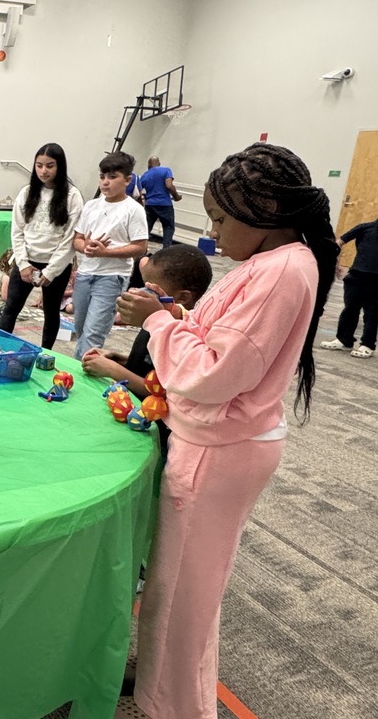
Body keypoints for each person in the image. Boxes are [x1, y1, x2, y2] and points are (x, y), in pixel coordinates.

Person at [116, 143, 338, 719]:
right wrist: (177, 316)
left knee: (185, 595)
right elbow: (225, 345)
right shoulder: (275, 264)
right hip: (224, 441)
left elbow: (213, 375)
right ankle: (165, 689)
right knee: (181, 586)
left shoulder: (281, 271)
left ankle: (176, 705)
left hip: (220, 447)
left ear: (262, 208)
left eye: (218, 218)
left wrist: (161, 322)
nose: (212, 231)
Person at [81, 245, 213, 399]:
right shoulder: (156, 317)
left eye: (151, 291)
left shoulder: (182, 336)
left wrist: (112, 370)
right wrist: (119, 359)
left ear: (182, 298)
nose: (141, 293)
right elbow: (150, 365)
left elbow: (165, 393)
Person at [0, 143, 84, 348]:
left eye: (50, 166)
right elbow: (17, 231)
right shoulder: (27, 193)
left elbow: (69, 239)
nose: (43, 171)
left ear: (60, 166)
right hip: (26, 261)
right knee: (11, 308)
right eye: (39, 166)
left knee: (51, 311)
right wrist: (24, 263)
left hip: (56, 265)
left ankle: (45, 353)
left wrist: (52, 271)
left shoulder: (72, 196)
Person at [71, 151, 149, 359]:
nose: (105, 183)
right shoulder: (91, 205)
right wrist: (86, 247)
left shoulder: (133, 210)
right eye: (102, 177)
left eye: (112, 177)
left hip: (112, 277)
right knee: (81, 329)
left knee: (93, 334)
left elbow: (140, 247)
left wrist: (107, 252)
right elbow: (77, 240)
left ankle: (79, 375)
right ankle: (86, 367)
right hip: (85, 274)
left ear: (127, 180)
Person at [317, 215, 378, 358]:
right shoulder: (364, 228)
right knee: (350, 309)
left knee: (372, 313)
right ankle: (344, 340)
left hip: (376, 280)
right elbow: (339, 242)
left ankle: (367, 345)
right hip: (356, 275)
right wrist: (334, 261)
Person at [140, 156, 182, 248]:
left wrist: (143, 201)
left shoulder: (145, 175)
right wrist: (176, 197)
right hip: (165, 204)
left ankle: (141, 250)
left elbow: (138, 190)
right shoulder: (166, 170)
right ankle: (166, 250)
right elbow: (169, 185)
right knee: (168, 227)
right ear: (159, 164)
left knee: (146, 228)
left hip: (150, 205)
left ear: (149, 165)